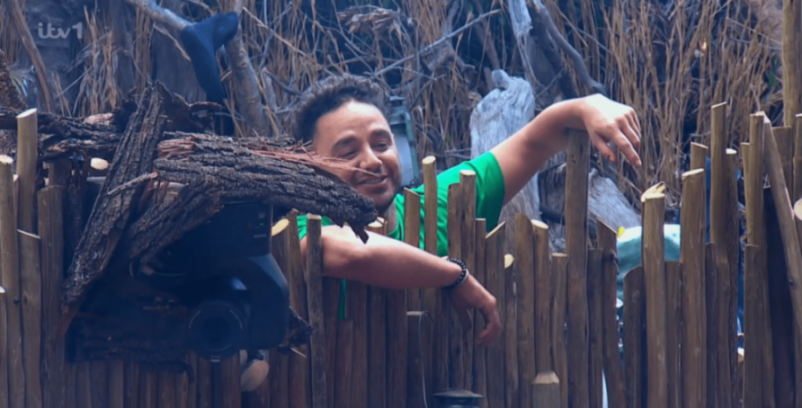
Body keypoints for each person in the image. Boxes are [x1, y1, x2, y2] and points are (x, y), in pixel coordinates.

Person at [290, 73, 642, 347]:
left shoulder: (440, 204)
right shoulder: (302, 230)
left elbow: (538, 138)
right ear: (312, 167)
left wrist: (589, 105)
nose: (372, 159)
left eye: (382, 144)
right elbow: (348, 254)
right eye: (347, 152)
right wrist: (452, 275)